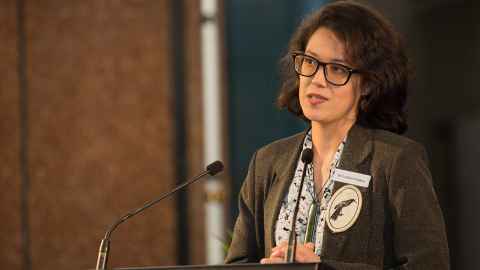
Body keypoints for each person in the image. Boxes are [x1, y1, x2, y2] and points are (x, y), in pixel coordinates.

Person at [224, 1, 450, 269]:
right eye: (310, 62)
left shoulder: (396, 161)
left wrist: (323, 267)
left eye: (337, 69)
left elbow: (429, 264)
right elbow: (238, 263)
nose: (317, 79)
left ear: (367, 83)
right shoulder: (267, 162)